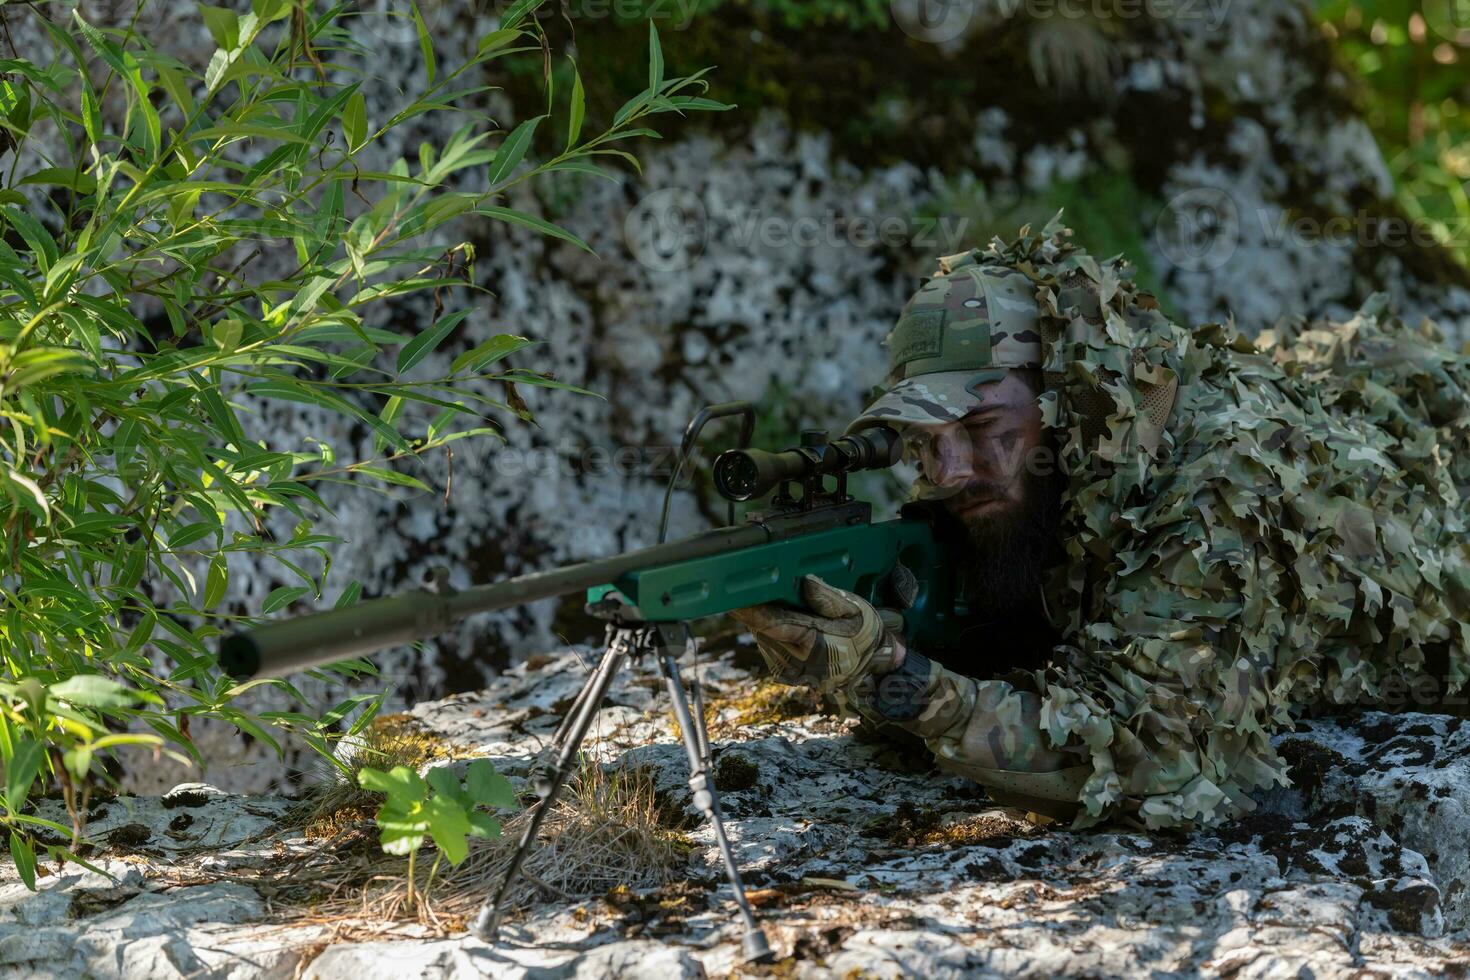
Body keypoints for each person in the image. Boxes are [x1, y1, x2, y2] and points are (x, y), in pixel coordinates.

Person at [730, 218, 1470, 829]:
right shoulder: (1059, 469)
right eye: (924, 440)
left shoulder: (1214, 494)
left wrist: (899, 682)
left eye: (985, 425)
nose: (950, 471)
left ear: (1068, 399)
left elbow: (1153, 756)